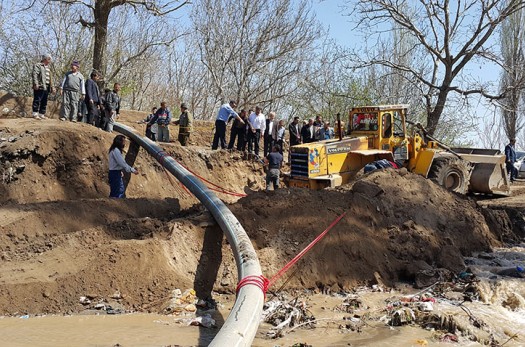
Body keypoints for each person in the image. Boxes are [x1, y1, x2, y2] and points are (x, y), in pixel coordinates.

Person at [31, 54, 54, 120]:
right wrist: (36, 84)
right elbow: (35, 75)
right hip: (40, 85)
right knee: (37, 99)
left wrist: (52, 86)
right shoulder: (38, 65)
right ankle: (35, 113)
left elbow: (51, 78)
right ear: (45, 59)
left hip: (47, 86)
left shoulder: (49, 68)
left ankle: (42, 114)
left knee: (44, 100)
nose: (50, 60)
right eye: (49, 59)